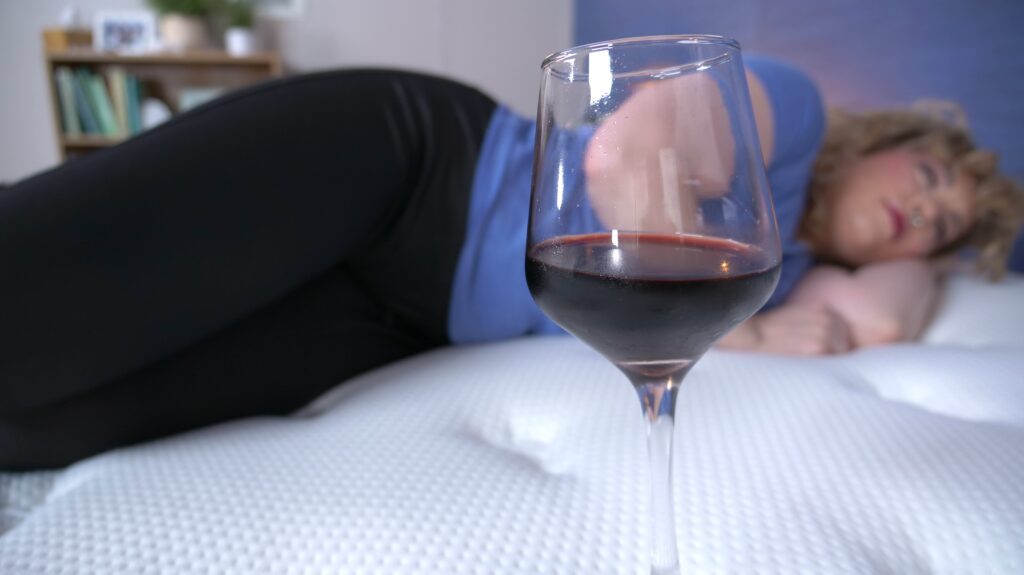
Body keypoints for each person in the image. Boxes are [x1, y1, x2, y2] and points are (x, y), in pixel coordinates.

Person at [0, 56, 1019, 469]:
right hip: (412, 169)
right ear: (883, 134)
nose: (920, 209)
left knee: (42, 425)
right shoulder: (785, 121)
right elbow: (628, 153)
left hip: (399, 320)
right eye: (928, 172)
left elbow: (880, 324)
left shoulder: (783, 265)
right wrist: (742, 327)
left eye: (940, 222)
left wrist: (946, 254)